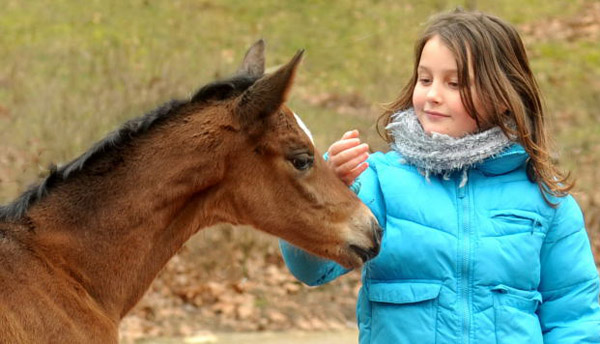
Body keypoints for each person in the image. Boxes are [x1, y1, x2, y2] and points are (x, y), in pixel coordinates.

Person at [279, 8, 600, 344]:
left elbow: (574, 319)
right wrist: (325, 189)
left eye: (455, 83)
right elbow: (311, 270)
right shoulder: (380, 183)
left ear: (504, 98)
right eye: (425, 79)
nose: (432, 95)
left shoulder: (547, 201)